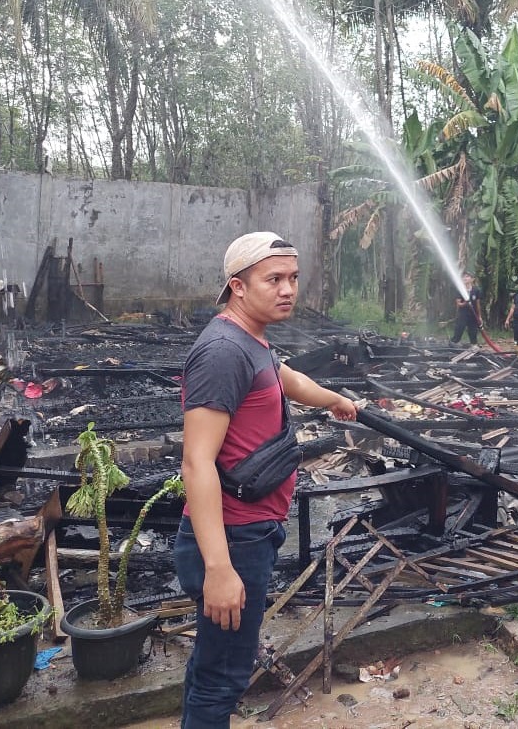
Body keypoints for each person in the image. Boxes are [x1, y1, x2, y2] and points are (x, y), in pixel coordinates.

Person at [176, 231, 358, 728]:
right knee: (225, 677)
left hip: (248, 532)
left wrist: (333, 399)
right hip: (230, 539)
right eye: (273, 279)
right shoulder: (222, 352)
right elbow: (197, 463)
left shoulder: (251, 339)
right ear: (238, 286)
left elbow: (284, 377)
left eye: (293, 278)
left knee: (212, 665)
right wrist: (219, 569)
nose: (288, 289)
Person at [450, 272, 482, 346]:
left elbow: (478, 304)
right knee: (459, 328)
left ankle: (474, 344)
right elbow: (458, 304)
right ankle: (454, 342)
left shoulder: (476, 290)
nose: (465, 278)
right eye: (463, 277)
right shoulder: (460, 290)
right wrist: (465, 303)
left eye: (467, 276)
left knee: (473, 330)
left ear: (472, 279)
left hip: (473, 314)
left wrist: (479, 316)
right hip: (463, 313)